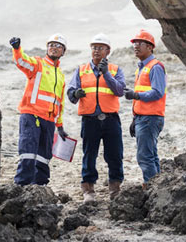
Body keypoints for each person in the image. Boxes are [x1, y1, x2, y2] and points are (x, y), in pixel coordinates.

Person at [67, 33, 126, 202]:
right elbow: (71, 93)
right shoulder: (81, 69)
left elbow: (120, 90)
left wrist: (106, 74)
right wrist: (75, 93)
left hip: (111, 119)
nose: (96, 51)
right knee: (89, 154)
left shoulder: (115, 70)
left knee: (114, 154)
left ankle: (115, 188)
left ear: (108, 51)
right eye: (94, 47)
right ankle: (88, 190)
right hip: (90, 120)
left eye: (100, 48)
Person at [10, 33, 69, 185]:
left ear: (63, 52)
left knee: (44, 155)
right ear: (47, 48)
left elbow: (60, 102)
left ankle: (40, 186)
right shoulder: (38, 64)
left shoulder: (61, 75)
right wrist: (17, 49)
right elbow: (22, 61)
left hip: (49, 120)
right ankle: (22, 185)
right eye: (51, 45)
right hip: (32, 115)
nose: (54, 48)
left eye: (58, 46)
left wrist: (60, 125)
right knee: (28, 151)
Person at [124, 29, 166, 189]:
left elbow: (157, 92)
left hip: (150, 118)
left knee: (145, 156)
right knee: (151, 154)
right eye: (134, 43)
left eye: (140, 43)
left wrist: (135, 95)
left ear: (150, 47)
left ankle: (151, 188)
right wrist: (135, 119)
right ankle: (157, 186)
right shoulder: (142, 68)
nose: (136, 46)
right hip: (143, 118)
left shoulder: (155, 67)